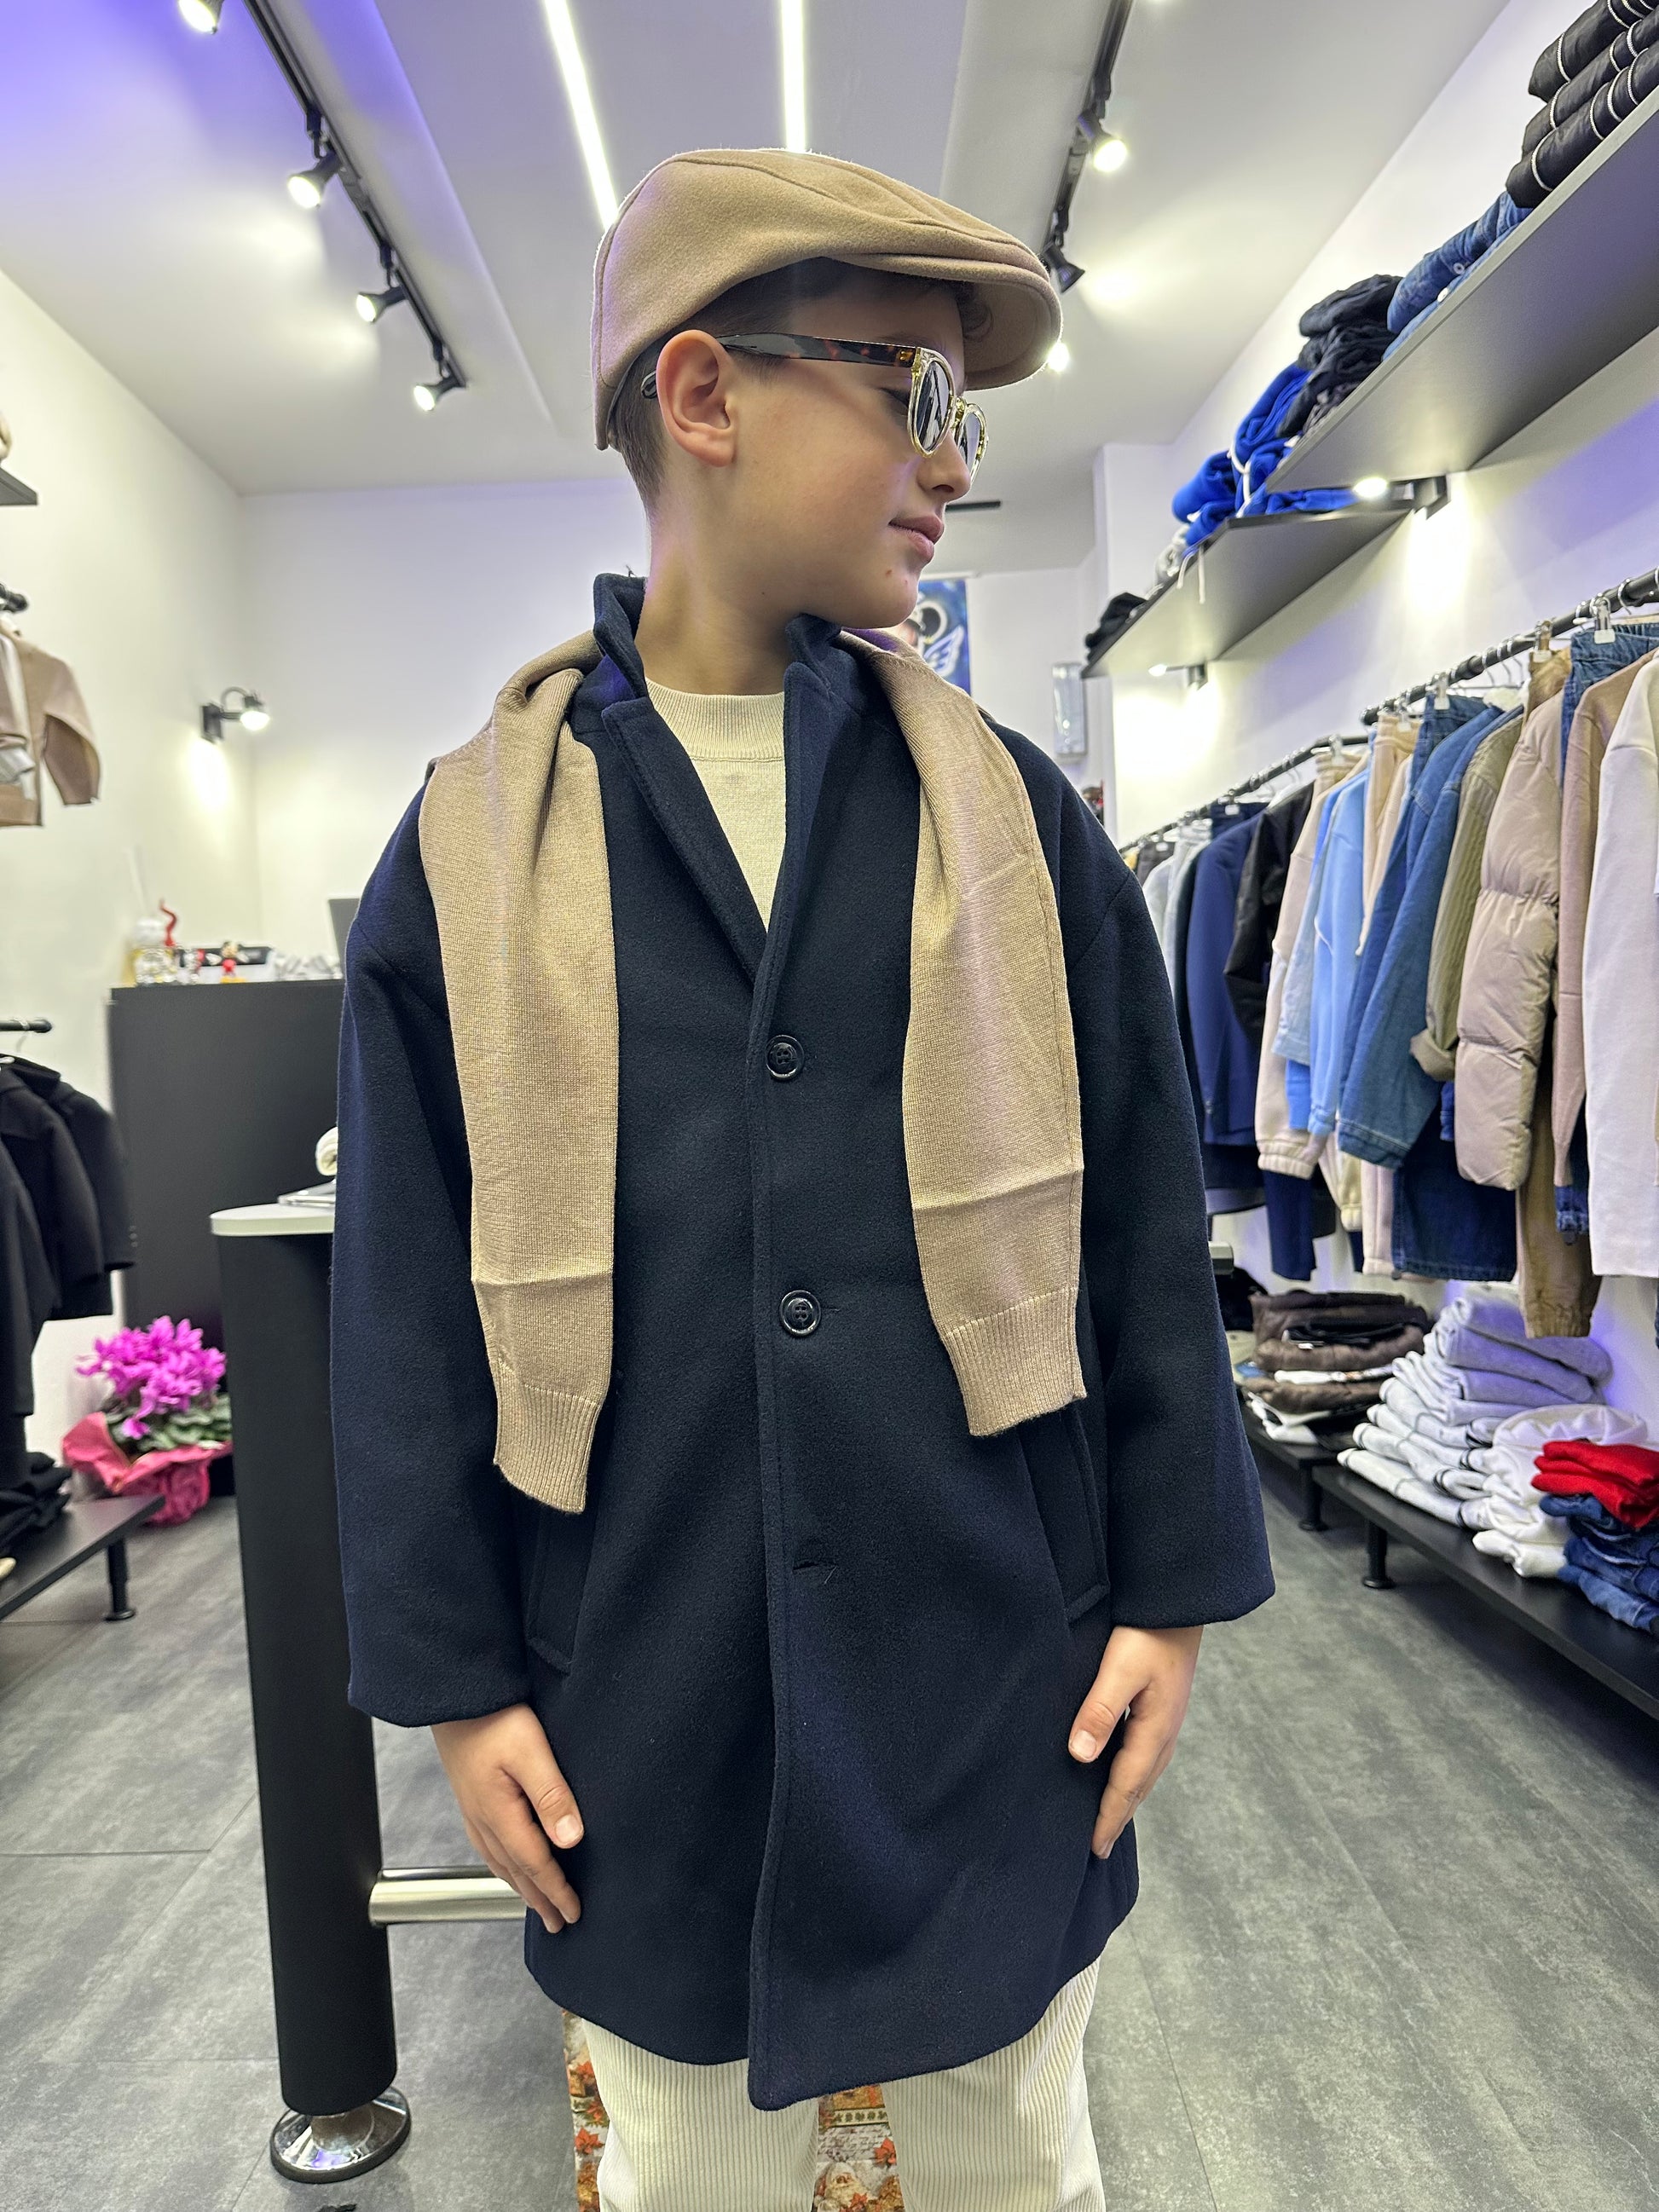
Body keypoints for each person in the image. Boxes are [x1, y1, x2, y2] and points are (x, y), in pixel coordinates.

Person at [331, 147, 1274, 2209]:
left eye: (973, 414)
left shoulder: (1007, 815)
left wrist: (1174, 1591)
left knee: (1012, 2143)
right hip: (641, 1687)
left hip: (990, 1667)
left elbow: (1135, 1225)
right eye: (915, 392)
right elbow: (400, 1310)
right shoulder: (472, 849)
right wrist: (457, 1686)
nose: (955, 461)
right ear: (704, 394)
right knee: (682, 2161)